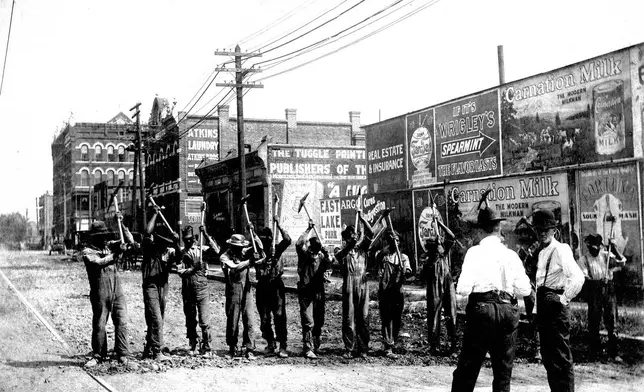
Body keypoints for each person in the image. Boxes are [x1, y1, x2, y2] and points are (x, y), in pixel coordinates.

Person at [451, 206, 532, 392]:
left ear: (480, 230)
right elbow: (525, 289)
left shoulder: (474, 253)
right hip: (507, 311)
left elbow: (463, 289)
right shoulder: (511, 255)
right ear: (498, 229)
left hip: (482, 311)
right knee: (503, 374)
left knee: (467, 372)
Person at [533, 209, 585, 392]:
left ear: (554, 230)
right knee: (548, 358)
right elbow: (540, 286)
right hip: (544, 309)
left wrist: (563, 298)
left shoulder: (561, 249)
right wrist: (535, 313)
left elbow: (578, 277)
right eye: (538, 230)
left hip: (556, 308)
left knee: (561, 358)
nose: (542, 233)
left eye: (546, 230)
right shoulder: (542, 253)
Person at [127, 208, 182, 361]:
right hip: (150, 285)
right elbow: (147, 231)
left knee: (158, 318)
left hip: (163, 285)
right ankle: (157, 352)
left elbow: (179, 258)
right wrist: (156, 213)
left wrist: (177, 243)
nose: (165, 245)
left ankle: (149, 347)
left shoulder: (169, 251)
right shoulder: (150, 248)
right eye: (163, 242)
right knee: (155, 317)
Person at [81, 220, 130, 367]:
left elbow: (127, 240)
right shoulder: (88, 252)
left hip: (117, 289)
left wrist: (121, 224)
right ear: (94, 237)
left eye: (104, 235)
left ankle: (122, 353)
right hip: (100, 292)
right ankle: (98, 354)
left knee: (122, 320)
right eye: (100, 236)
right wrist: (115, 255)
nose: (104, 238)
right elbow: (97, 263)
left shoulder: (109, 245)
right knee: (100, 324)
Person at [577, 233, 625, 362]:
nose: (594, 249)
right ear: (588, 246)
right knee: (594, 321)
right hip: (594, 291)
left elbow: (622, 263)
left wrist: (614, 249)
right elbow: (584, 277)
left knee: (612, 321)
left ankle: (614, 352)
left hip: (609, 290)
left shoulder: (606, 255)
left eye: (597, 246)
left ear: (600, 246)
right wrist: (597, 283)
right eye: (591, 246)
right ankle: (595, 352)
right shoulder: (583, 260)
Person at [334, 211, 373, 359]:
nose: (352, 238)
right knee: (349, 318)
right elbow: (339, 256)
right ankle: (349, 348)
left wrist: (363, 219)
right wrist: (350, 244)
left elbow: (371, 232)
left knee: (363, 317)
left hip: (362, 282)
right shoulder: (341, 250)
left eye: (354, 235)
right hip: (349, 283)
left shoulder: (363, 248)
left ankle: (363, 348)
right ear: (345, 238)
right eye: (349, 236)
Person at [220, 232, 264, 359]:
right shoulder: (225, 256)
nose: (239, 249)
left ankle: (249, 348)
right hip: (233, 290)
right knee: (233, 320)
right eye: (236, 247)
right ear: (231, 246)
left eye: (240, 247)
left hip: (247, 289)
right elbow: (234, 267)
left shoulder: (244, 253)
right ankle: (232, 348)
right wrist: (250, 261)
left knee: (250, 320)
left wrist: (254, 233)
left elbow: (259, 248)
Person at [178, 225, 219, 356]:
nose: (188, 242)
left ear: (195, 238)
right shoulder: (182, 252)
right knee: (190, 319)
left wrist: (206, 235)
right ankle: (193, 344)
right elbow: (180, 271)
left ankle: (207, 346)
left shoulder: (202, 249)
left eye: (190, 239)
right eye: (185, 240)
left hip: (202, 289)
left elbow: (217, 250)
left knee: (204, 319)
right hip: (188, 289)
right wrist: (193, 269)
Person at [255, 215, 292, 358]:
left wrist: (279, 224)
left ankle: (282, 345)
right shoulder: (258, 251)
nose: (266, 242)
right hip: (263, 286)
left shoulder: (277, 249)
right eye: (263, 240)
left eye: (268, 240)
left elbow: (288, 240)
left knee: (279, 316)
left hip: (276, 286)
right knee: (264, 319)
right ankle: (270, 343)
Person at [295, 219, 332, 359]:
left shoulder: (322, 257)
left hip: (318, 292)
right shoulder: (304, 255)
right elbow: (298, 244)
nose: (313, 250)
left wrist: (327, 255)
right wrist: (308, 229)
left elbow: (330, 266)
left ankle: (316, 344)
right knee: (308, 320)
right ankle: (308, 347)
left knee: (319, 319)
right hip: (306, 292)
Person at [375, 230, 411, 359]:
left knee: (396, 318)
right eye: (392, 240)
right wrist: (390, 242)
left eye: (396, 240)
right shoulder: (383, 256)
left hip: (397, 292)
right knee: (386, 319)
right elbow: (378, 261)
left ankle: (393, 341)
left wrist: (404, 271)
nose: (394, 242)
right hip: (385, 291)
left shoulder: (403, 258)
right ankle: (388, 346)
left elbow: (408, 270)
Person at [421, 230, 457, 355]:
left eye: (439, 248)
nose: (438, 251)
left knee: (451, 314)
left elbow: (452, 237)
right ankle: (434, 345)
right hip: (434, 289)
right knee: (433, 316)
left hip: (448, 287)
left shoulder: (444, 257)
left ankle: (453, 344)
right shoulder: (428, 263)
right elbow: (422, 278)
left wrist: (440, 225)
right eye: (435, 249)